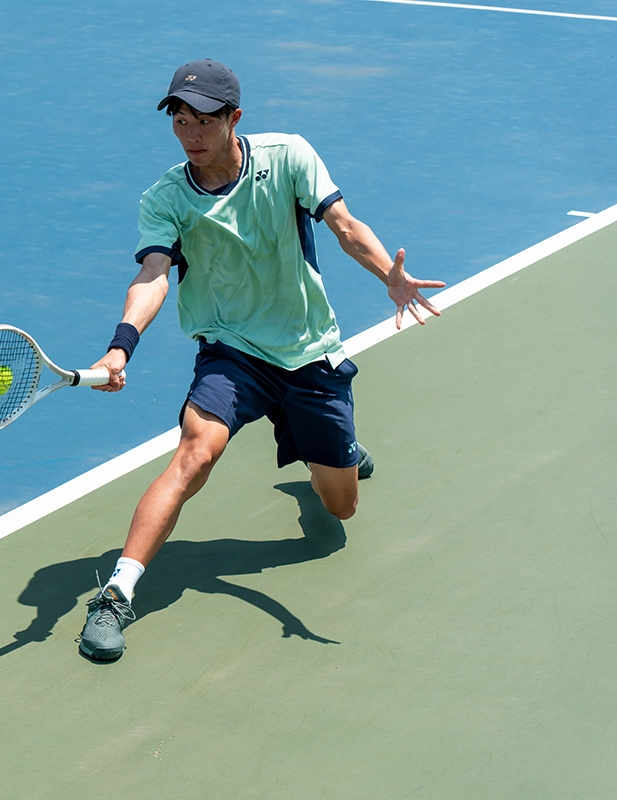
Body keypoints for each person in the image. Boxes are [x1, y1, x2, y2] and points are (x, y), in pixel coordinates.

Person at [78, 59, 444, 661]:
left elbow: (343, 225)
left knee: (340, 509)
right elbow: (152, 276)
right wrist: (122, 344)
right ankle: (116, 595)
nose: (190, 133)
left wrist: (391, 278)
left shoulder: (289, 156)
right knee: (195, 452)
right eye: (179, 120)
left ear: (234, 118)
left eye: (203, 120)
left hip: (307, 349)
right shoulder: (167, 198)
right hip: (233, 351)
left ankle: (337, 454)